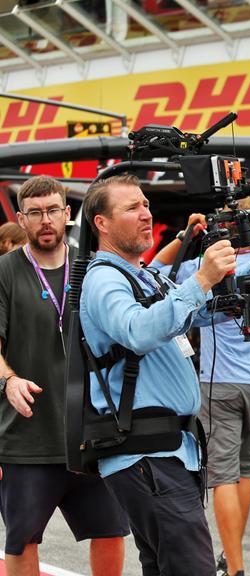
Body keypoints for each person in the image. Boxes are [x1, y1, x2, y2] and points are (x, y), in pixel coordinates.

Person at [80, 173, 250, 574]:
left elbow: (203, 311)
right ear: (101, 224)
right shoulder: (104, 277)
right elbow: (138, 331)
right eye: (131, 208)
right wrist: (200, 279)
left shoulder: (143, 274)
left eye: (145, 204)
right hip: (147, 453)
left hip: (165, 452)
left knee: (164, 566)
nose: (145, 214)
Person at [0, 175, 128, 576]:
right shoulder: (5, 270)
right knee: (23, 540)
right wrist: (9, 380)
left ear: (67, 214)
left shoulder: (92, 267)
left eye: (53, 210)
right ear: (22, 219)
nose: (46, 220)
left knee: (110, 531)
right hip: (27, 437)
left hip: (91, 431)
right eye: (35, 213)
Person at [150, 201, 250, 576]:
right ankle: (231, 556)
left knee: (222, 473)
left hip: (220, 380)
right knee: (243, 471)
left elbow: (156, 271)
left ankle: (235, 566)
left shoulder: (210, 265)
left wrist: (185, 234)